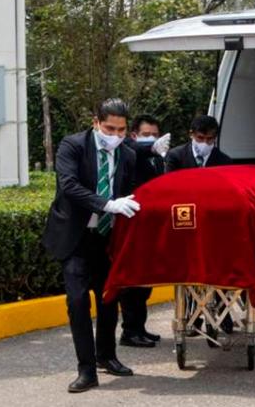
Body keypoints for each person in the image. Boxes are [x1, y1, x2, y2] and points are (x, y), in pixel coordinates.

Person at [42, 98, 139, 393]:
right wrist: (107, 203)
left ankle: (106, 355)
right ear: (96, 122)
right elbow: (69, 186)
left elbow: (131, 193)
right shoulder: (72, 146)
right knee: (78, 301)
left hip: (107, 238)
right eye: (110, 128)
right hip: (76, 237)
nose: (115, 135)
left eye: (122, 130)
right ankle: (86, 370)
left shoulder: (127, 155)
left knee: (109, 298)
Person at [165, 114, 233, 334]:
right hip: (185, 223)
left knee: (218, 268)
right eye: (201, 137)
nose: (205, 143)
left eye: (210, 139)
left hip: (214, 226)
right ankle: (193, 315)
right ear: (191, 135)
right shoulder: (175, 157)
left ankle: (223, 311)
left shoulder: (223, 160)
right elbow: (171, 189)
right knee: (190, 272)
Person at [119, 115, 170, 348]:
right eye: (146, 134)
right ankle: (129, 331)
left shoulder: (159, 159)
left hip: (152, 225)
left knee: (146, 283)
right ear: (134, 135)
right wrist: (148, 147)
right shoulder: (129, 150)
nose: (152, 138)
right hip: (133, 224)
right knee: (133, 283)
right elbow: (133, 148)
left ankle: (140, 328)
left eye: (154, 134)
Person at [166, 115, 232, 171]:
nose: (205, 142)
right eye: (200, 138)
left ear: (215, 138)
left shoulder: (224, 162)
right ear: (191, 134)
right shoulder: (176, 156)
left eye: (209, 138)